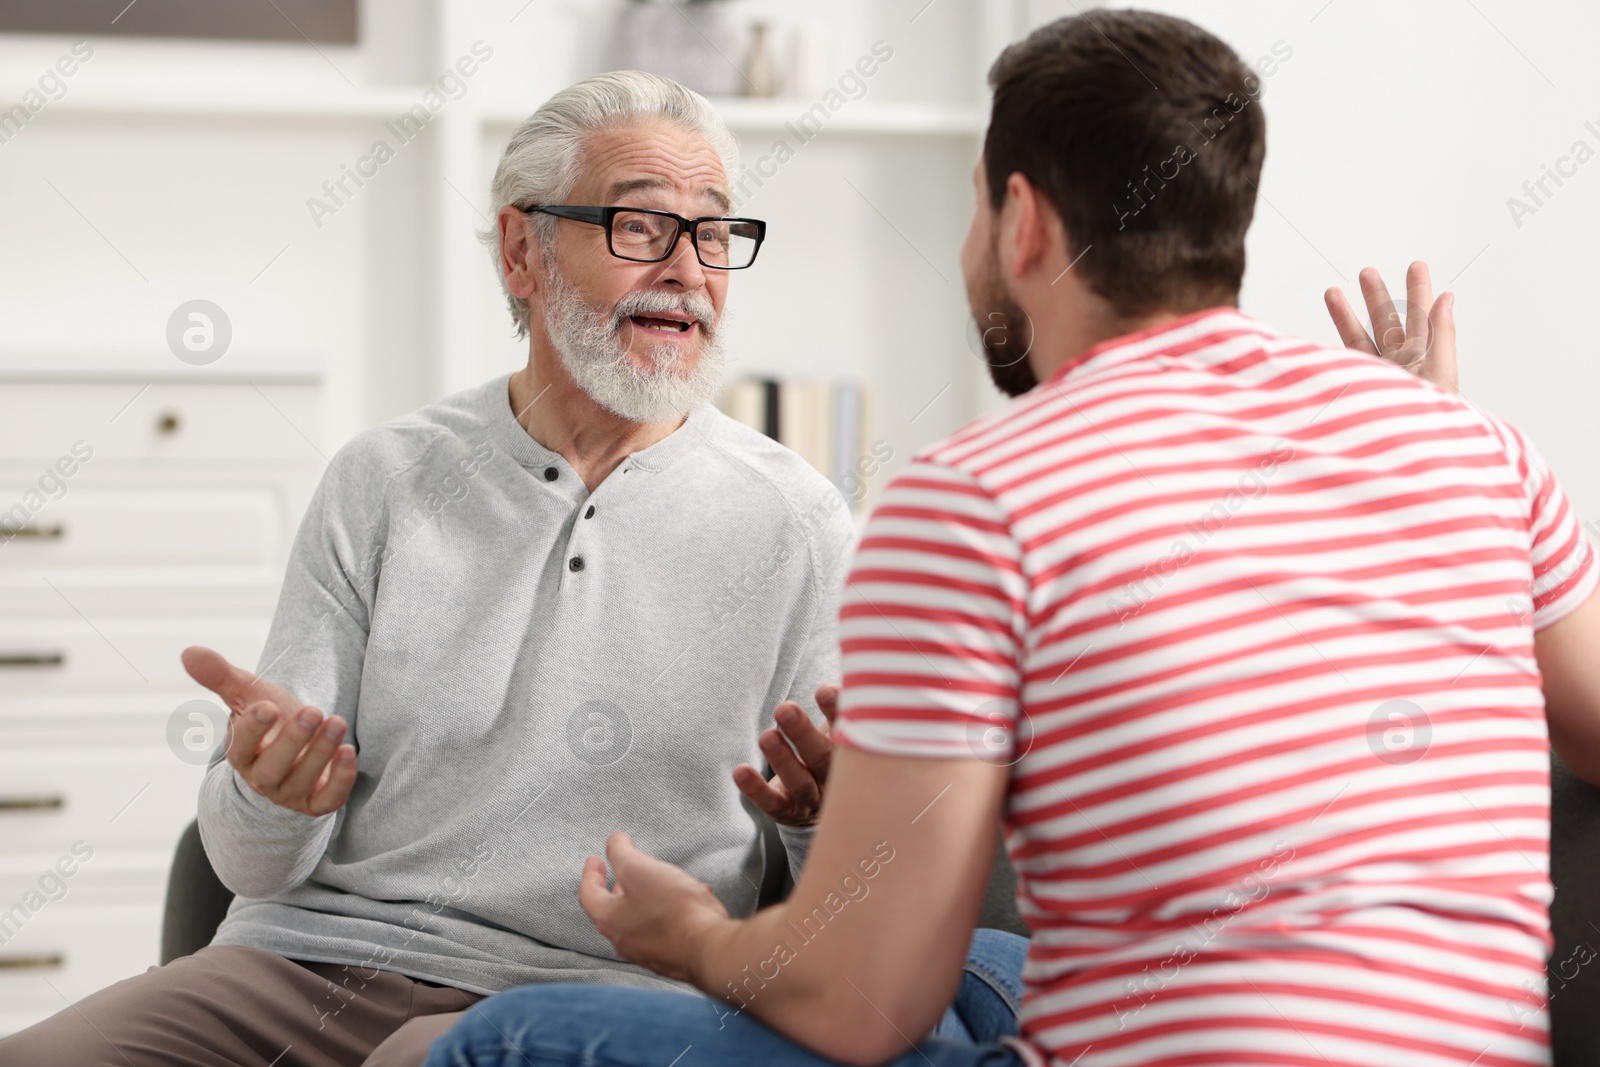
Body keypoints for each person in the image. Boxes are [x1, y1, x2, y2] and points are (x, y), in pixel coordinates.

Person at [427, 11, 1596, 1067]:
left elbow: (859, 1005)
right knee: (988, 971)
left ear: (1021, 219)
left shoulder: (975, 499)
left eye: (976, 206)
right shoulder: (1475, 450)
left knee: (507, 1035)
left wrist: (690, 935)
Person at [0, 70, 1027, 1067]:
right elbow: (245, 865)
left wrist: (821, 818)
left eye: (712, 231)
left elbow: (833, 905)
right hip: (305, 961)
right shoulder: (384, 480)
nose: (686, 269)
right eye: (639, 226)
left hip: (590, 986)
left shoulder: (797, 521)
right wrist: (271, 794)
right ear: (520, 250)